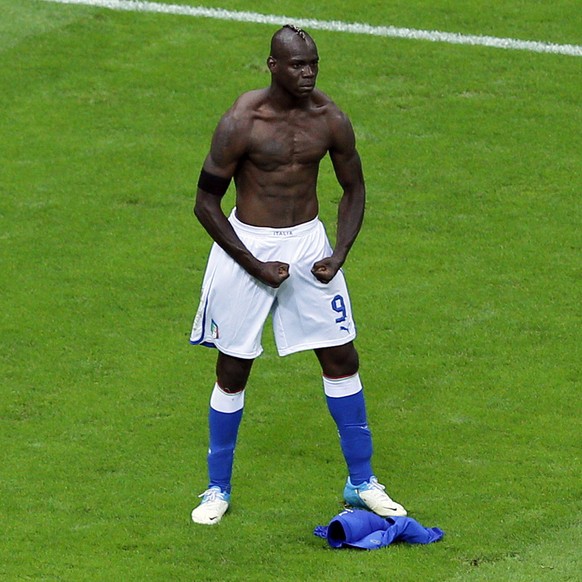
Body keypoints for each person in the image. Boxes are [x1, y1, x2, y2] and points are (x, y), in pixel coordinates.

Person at [189, 24, 407, 525]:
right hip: (247, 246)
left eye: (313, 64)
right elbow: (205, 203)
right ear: (273, 66)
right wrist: (254, 263)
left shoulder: (330, 118)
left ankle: (362, 483)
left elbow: (354, 188)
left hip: (308, 245)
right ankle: (216, 489)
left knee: (341, 356)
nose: (307, 73)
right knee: (233, 368)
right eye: (297, 65)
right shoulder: (242, 120)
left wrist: (340, 251)